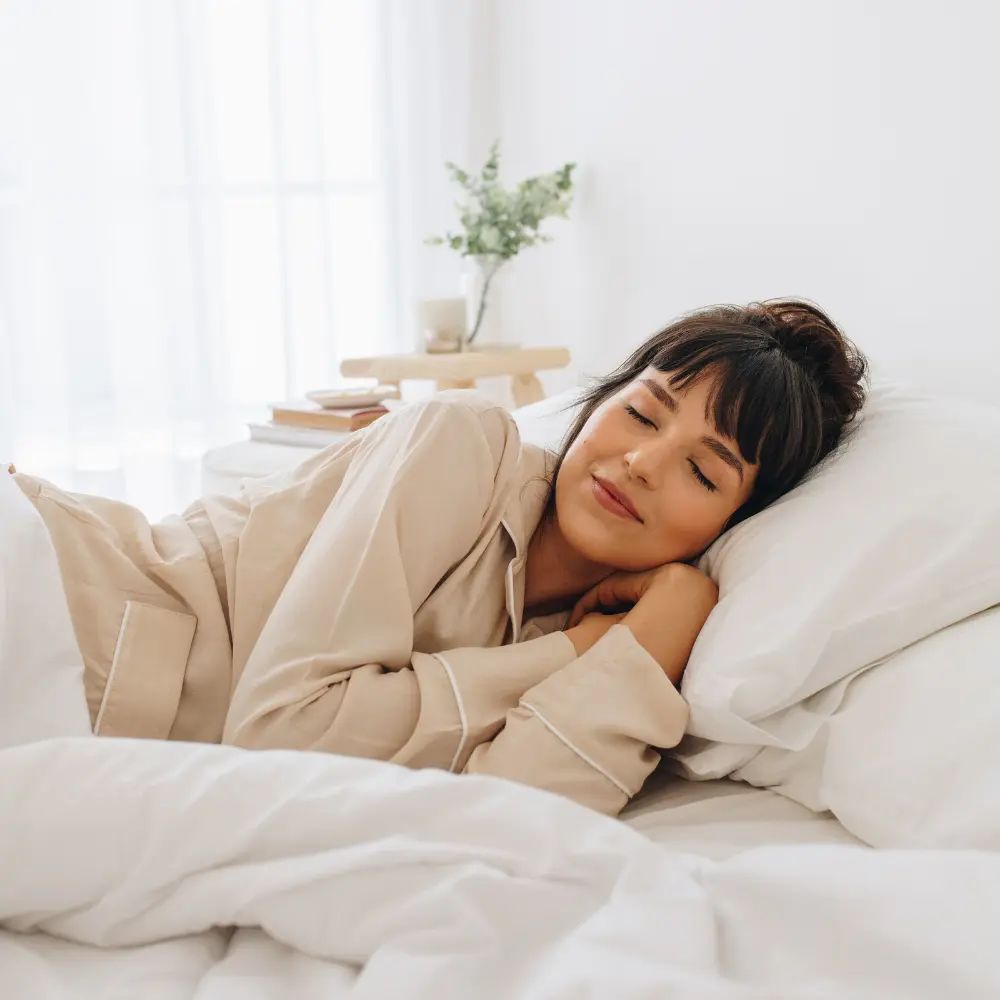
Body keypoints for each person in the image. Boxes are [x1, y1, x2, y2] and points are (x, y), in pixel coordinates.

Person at [11, 299, 867, 816]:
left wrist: (642, 650)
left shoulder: (630, 646)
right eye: (642, 414)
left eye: (702, 470)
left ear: (734, 524)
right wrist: (571, 652)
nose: (641, 461)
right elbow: (279, 734)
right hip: (61, 593)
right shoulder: (458, 443)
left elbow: (506, 819)